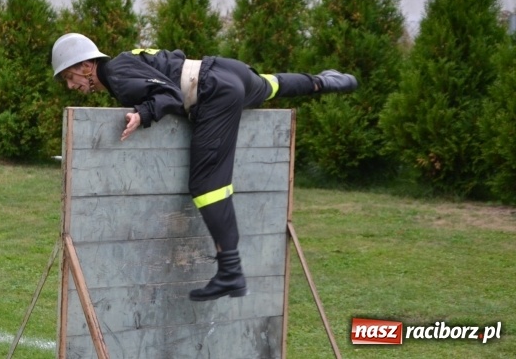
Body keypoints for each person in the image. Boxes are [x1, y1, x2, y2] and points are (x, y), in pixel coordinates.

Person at [51, 32, 357, 302]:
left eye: (69, 77)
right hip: (229, 71)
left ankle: (231, 272)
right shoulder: (121, 66)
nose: (70, 85)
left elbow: (169, 94)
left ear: (86, 66)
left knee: (207, 186)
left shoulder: (117, 74)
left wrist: (143, 114)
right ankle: (323, 81)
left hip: (213, 90)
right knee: (271, 84)